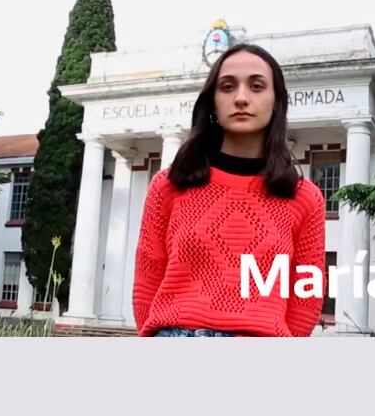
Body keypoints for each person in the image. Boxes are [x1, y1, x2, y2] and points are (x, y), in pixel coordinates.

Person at [132, 43, 326, 337]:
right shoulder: (169, 185)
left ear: (276, 102)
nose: (241, 98)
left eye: (257, 86)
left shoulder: (303, 198)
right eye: (227, 86)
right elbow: (147, 281)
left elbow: (305, 297)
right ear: (212, 101)